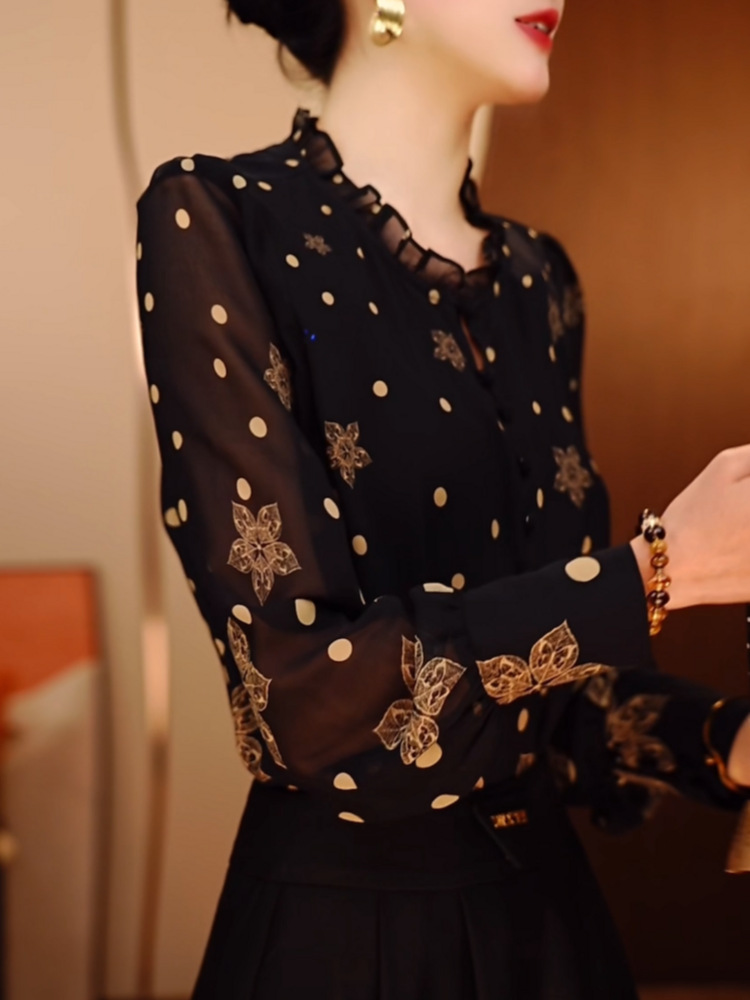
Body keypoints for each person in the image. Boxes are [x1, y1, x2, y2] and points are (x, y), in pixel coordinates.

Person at [134, 0, 750, 996]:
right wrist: (652, 571)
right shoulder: (222, 218)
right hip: (350, 940)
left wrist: (730, 740)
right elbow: (306, 696)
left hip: (552, 931)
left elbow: (552, 695)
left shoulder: (540, 281)